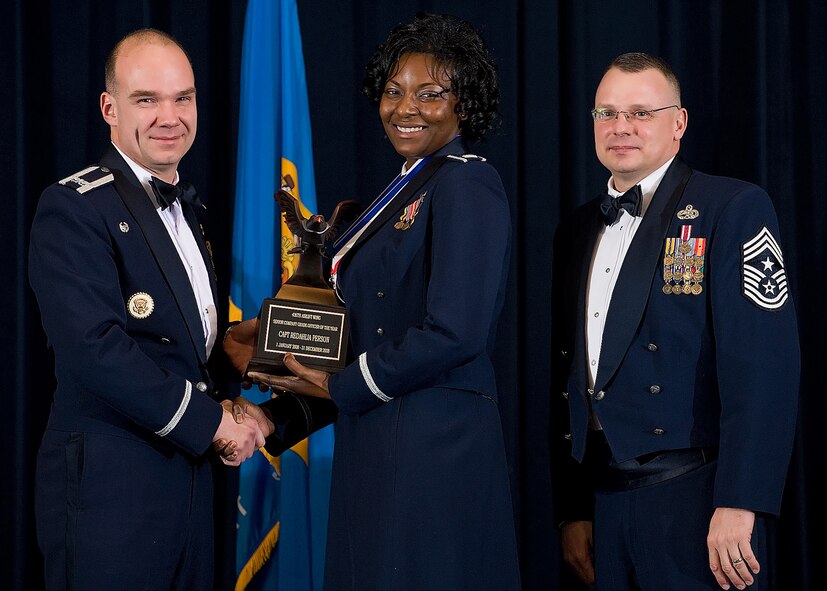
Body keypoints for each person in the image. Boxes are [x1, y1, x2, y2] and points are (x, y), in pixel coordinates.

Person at [224, 12, 521, 591]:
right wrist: (274, 400)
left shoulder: (466, 183)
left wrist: (343, 384)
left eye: (429, 93)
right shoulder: (406, 187)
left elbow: (456, 332)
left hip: (434, 452)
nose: (405, 107)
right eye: (393, 91)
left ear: (465, 103)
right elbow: (356, 338)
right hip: (379, 444)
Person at [28, 28, 268, 590]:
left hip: (189, 487)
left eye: (182, 98)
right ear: (109, 108)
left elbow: (182, 346)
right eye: (147, 100)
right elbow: (94, 348)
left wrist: (241, 358)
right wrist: (211, 424)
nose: (170, 116)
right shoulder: (72, 208)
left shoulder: (193, 213)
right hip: (112, 493)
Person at [549, 52, 799, 591]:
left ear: (678, 122)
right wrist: (573, 509)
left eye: (640, 112)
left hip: (699, 498)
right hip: (604, 502)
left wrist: (741, 499)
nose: (621, 128)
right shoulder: (575, 230)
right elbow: (567, 377)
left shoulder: (731, 207)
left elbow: (764, 369)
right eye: (607, 113)